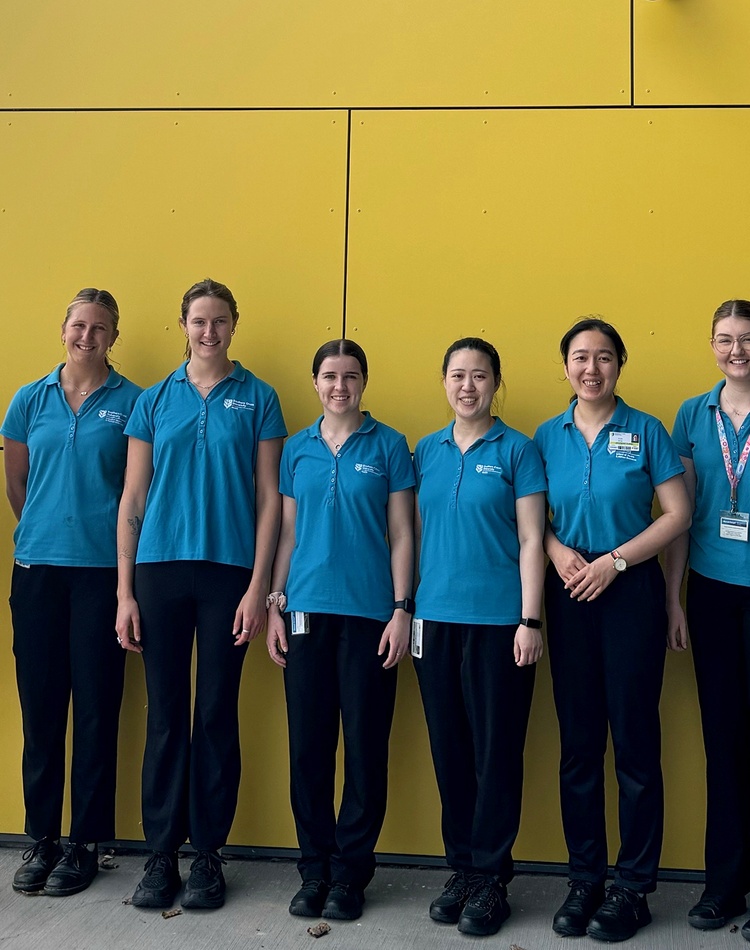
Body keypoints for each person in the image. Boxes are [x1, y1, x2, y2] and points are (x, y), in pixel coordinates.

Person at [115, 278, 286, 910]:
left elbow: (270, 500)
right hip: (159, 570)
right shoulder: (156, 400)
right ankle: (160, 854)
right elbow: (132, 499)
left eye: (219, 320)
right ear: (181, 325)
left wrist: (259, 586)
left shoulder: (260, 398)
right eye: (197, 321)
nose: (208, 331)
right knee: (164, 716)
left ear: (234, 325)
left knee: (214, 711)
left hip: (229, 575)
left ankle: (207, 855)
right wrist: (125, 592)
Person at [534, 317, 691, 943]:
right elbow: (527, 514)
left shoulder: (646, 429)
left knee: (633, 743)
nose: (590, 368)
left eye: (603, 357)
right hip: (569, 593)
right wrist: (554, 550)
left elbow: (679, 514)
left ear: (619, 365)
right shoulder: (545, 436)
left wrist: (617, 561)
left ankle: (633, 888)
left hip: (630, 595)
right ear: (565, 365)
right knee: (577, 745)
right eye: (579, 357)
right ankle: (585, 880)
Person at [266, 339, 415, 922]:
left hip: (370, 616)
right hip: (304, 613)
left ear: (363, 383)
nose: (339, 387)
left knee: (364, 748)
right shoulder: (297, 450)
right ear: (315, 382)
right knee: (308, 748)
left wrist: (402, 608)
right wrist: (275, 603)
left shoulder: (390, 445)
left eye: (350, 376)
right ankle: (313, 868)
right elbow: (286, 533)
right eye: (329, 376)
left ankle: (351, 872)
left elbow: (403, 533)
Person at [1, 288, 141, 897]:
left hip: (102, 578)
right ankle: (41, 839)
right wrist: (44, 530)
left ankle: (85, 841)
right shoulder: (29, 400)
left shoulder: (134, 402)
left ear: (115, 335)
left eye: (101, 327)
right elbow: (17, 484)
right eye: (79, 325)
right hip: (37, 572)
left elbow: (137, 491)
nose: (88, 336)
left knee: (95, 708)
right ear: (63, 329)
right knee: (40, 708)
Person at [412, 337, 546, 937]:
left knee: (497, 754)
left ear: (497, 383)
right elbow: (411, 538)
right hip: (434, 621)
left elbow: (530, 542)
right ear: (444, 382)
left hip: (500, 625)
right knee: (450, 751)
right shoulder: (425, 451)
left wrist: (530, 620)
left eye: (480, 376)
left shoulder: (519, 450)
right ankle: (461, 868)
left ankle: (491, 877)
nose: (468, 386)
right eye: (458, 375)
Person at [666, 299, 750, 936]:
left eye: (746, 339)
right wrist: (674, 597)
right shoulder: (693, 416)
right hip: (714, 592)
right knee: (722, 744)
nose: (737, 350)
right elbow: (680, 513)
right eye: (725, 339)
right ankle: (724, 887)